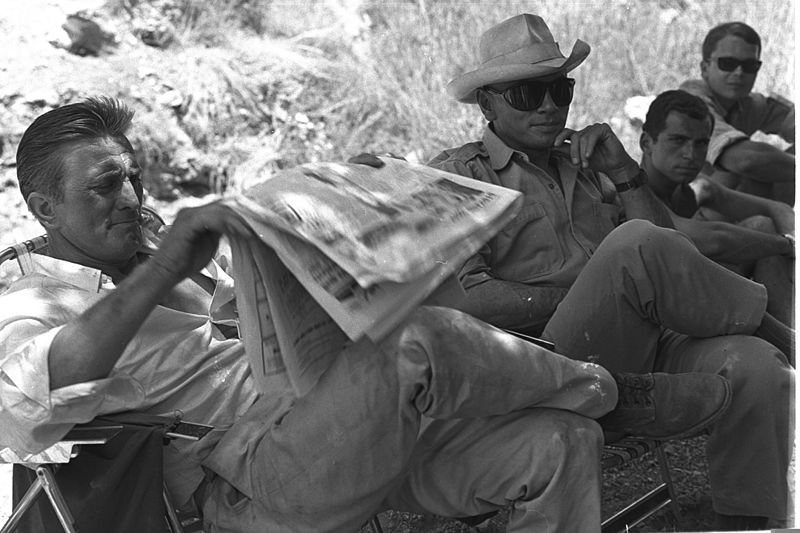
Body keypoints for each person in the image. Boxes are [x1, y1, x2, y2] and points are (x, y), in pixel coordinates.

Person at [0, 97, 730, 533]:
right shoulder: (27, 292)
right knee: (416, 342)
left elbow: (278, 311)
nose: (130, 199)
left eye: (133, 178)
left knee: (558, 442)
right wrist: (164, 267)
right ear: (43, 207)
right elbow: (27, 401)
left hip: (338, 429)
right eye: (104, 187)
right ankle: (609, 392)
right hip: (248, 479)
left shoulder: (149, 251)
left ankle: (587, 407)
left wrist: (358, 204)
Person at [430, 13, 794, 531]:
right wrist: (602, 288)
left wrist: (626, 174)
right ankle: (781, 330)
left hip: (639, 340)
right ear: (488, 103)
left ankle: (747, 524)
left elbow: (669, 246)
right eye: (528, 95)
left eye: (560, 89)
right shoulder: (459, 176)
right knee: (630, 247)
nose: (551, 105)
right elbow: (468, 300)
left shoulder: (591, 162)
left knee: (759, 366)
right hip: (543, 358)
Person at [639, 89, 794, 327]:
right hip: (653, 317)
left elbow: (777, 208)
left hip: (698, 300)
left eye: (701, 143)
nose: (690, 154)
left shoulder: (694, 188)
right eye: (678, 140)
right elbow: (713, 240)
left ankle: (790, 332)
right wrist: (787, 244)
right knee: (767, 240)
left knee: (761, 225)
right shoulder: (633, 190)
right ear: (647, 143)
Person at [679, 22, 795, 204]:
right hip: (675, 212)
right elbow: (744, 160)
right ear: (704, 68)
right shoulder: (690, 101)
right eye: (728, 63)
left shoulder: (751, 105)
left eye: (749, 65)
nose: (739, 72)